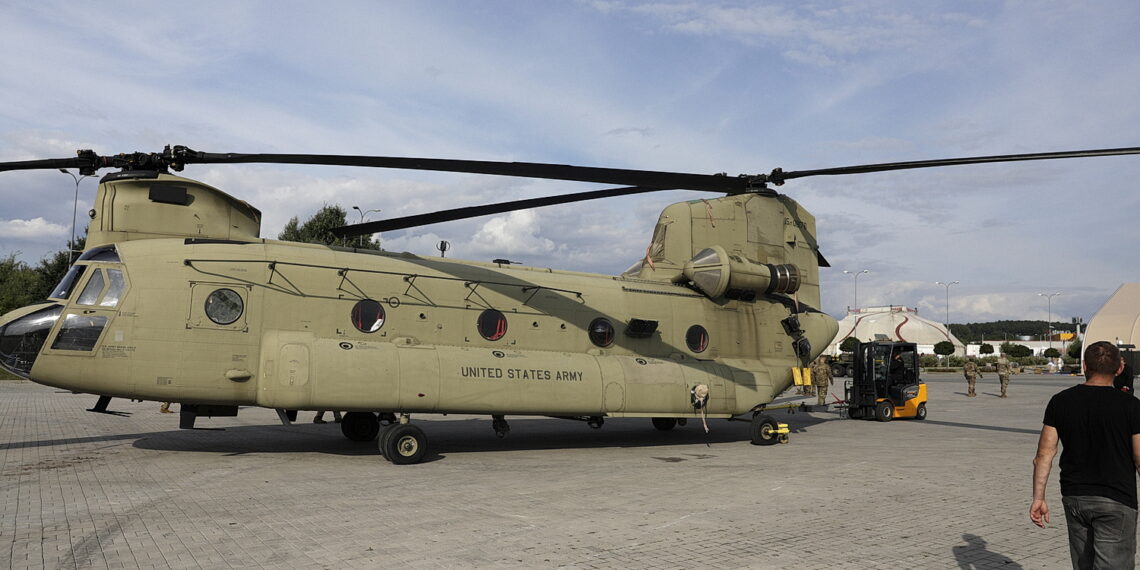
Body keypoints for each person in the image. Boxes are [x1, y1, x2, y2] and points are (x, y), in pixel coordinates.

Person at [1030, 341, 1140, 569]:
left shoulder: (1060, 402)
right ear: (1119, 369)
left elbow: (1044, 455)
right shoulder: (1131, 406)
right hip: (1116, 499)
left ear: (1083, 366)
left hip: (1075, 497)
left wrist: (1038, 497)